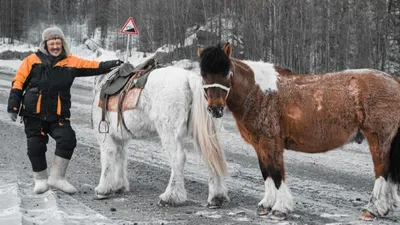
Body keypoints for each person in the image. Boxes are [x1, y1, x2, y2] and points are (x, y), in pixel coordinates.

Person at [7, 26, 122, 194]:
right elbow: (18, 82)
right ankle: (40, 180)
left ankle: (57, 178)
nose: (55, 46)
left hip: (58, 115)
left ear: (63, 44)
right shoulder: (31, 60)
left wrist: (114, 64)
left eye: (58, 43)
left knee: (68, 140)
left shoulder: (70, 61)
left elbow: (95, 66)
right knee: (35, 146)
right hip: (33, 114)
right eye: (52, 43)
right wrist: (13, 106)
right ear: (45, 44)